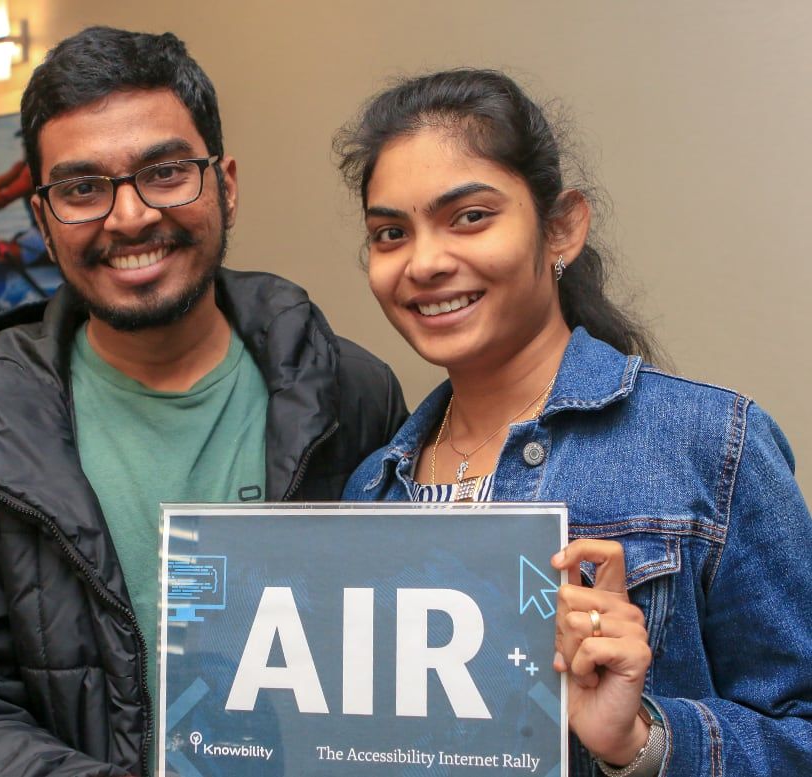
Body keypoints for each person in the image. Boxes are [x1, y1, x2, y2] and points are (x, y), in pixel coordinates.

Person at [0, 26, 407, 777]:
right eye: (83, 188)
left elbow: (391, 662)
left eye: (166, 170)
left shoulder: (351, 391)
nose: (130, 216)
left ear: (228, 183)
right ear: (44, 222)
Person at [338, 69, 812, 776]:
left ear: (561, 227)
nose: (426, 261)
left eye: (470, 216)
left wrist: (643, 738)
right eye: (390, 232)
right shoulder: (371, 490)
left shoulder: (712, 443)